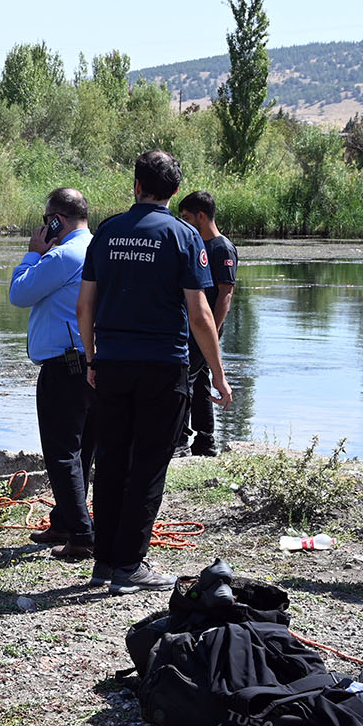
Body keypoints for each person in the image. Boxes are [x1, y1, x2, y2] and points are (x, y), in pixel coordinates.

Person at [76, 151, 232, 595]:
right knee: (148, 464)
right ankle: (129, 565)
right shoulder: (183, 236)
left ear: (136, 185)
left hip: (112, 364)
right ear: (174, 192)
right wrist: (218, 375)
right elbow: (200, 315)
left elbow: (84, 306)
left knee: (109, 461)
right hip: (163, 367)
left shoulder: (106, 231)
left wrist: (91, 358)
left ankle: (105, 562)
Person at [8, 187, 96, 561]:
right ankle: (63, 521)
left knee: (61, 453)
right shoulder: (97, 246)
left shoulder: (63, 254)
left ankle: (81, 534)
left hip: (65, 365)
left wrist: (33, 251)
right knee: (83, 449)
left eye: (48, 220)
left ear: (57, 219)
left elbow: (19, 292)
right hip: (90, 363)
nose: (45, 227)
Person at [176, 190, 238, 458]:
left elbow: (225, 294)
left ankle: (179, 439)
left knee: (183, 381)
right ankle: (205, 440)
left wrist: (211, 330)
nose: (184, 223)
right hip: (193, 327)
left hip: (204, 329)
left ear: (201, 216)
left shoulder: (221, 247)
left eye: (187, 218)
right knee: (200, 381)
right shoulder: (197, 245)